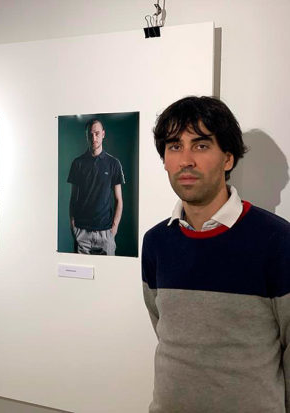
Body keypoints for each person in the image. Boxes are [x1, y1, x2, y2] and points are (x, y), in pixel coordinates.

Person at [142, 96, 290, 412]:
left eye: (200, 145)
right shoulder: (156, 242)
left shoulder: (277, 240)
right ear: (164, 160)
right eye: (174, 146)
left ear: (228, 159)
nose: (185, 160)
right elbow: (164, 328)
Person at [67, 118, 124, 255]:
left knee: (108, 269)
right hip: (82, 232)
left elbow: (119, 200)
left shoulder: (113, 164)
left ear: (103, 134)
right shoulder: (78, 163)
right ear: (86, 136)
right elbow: (73, 198)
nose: (94, 138)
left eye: (97, 133)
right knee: (81, 269)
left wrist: (114, 228)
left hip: (106, 233)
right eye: (90, 134)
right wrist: (73, 225)